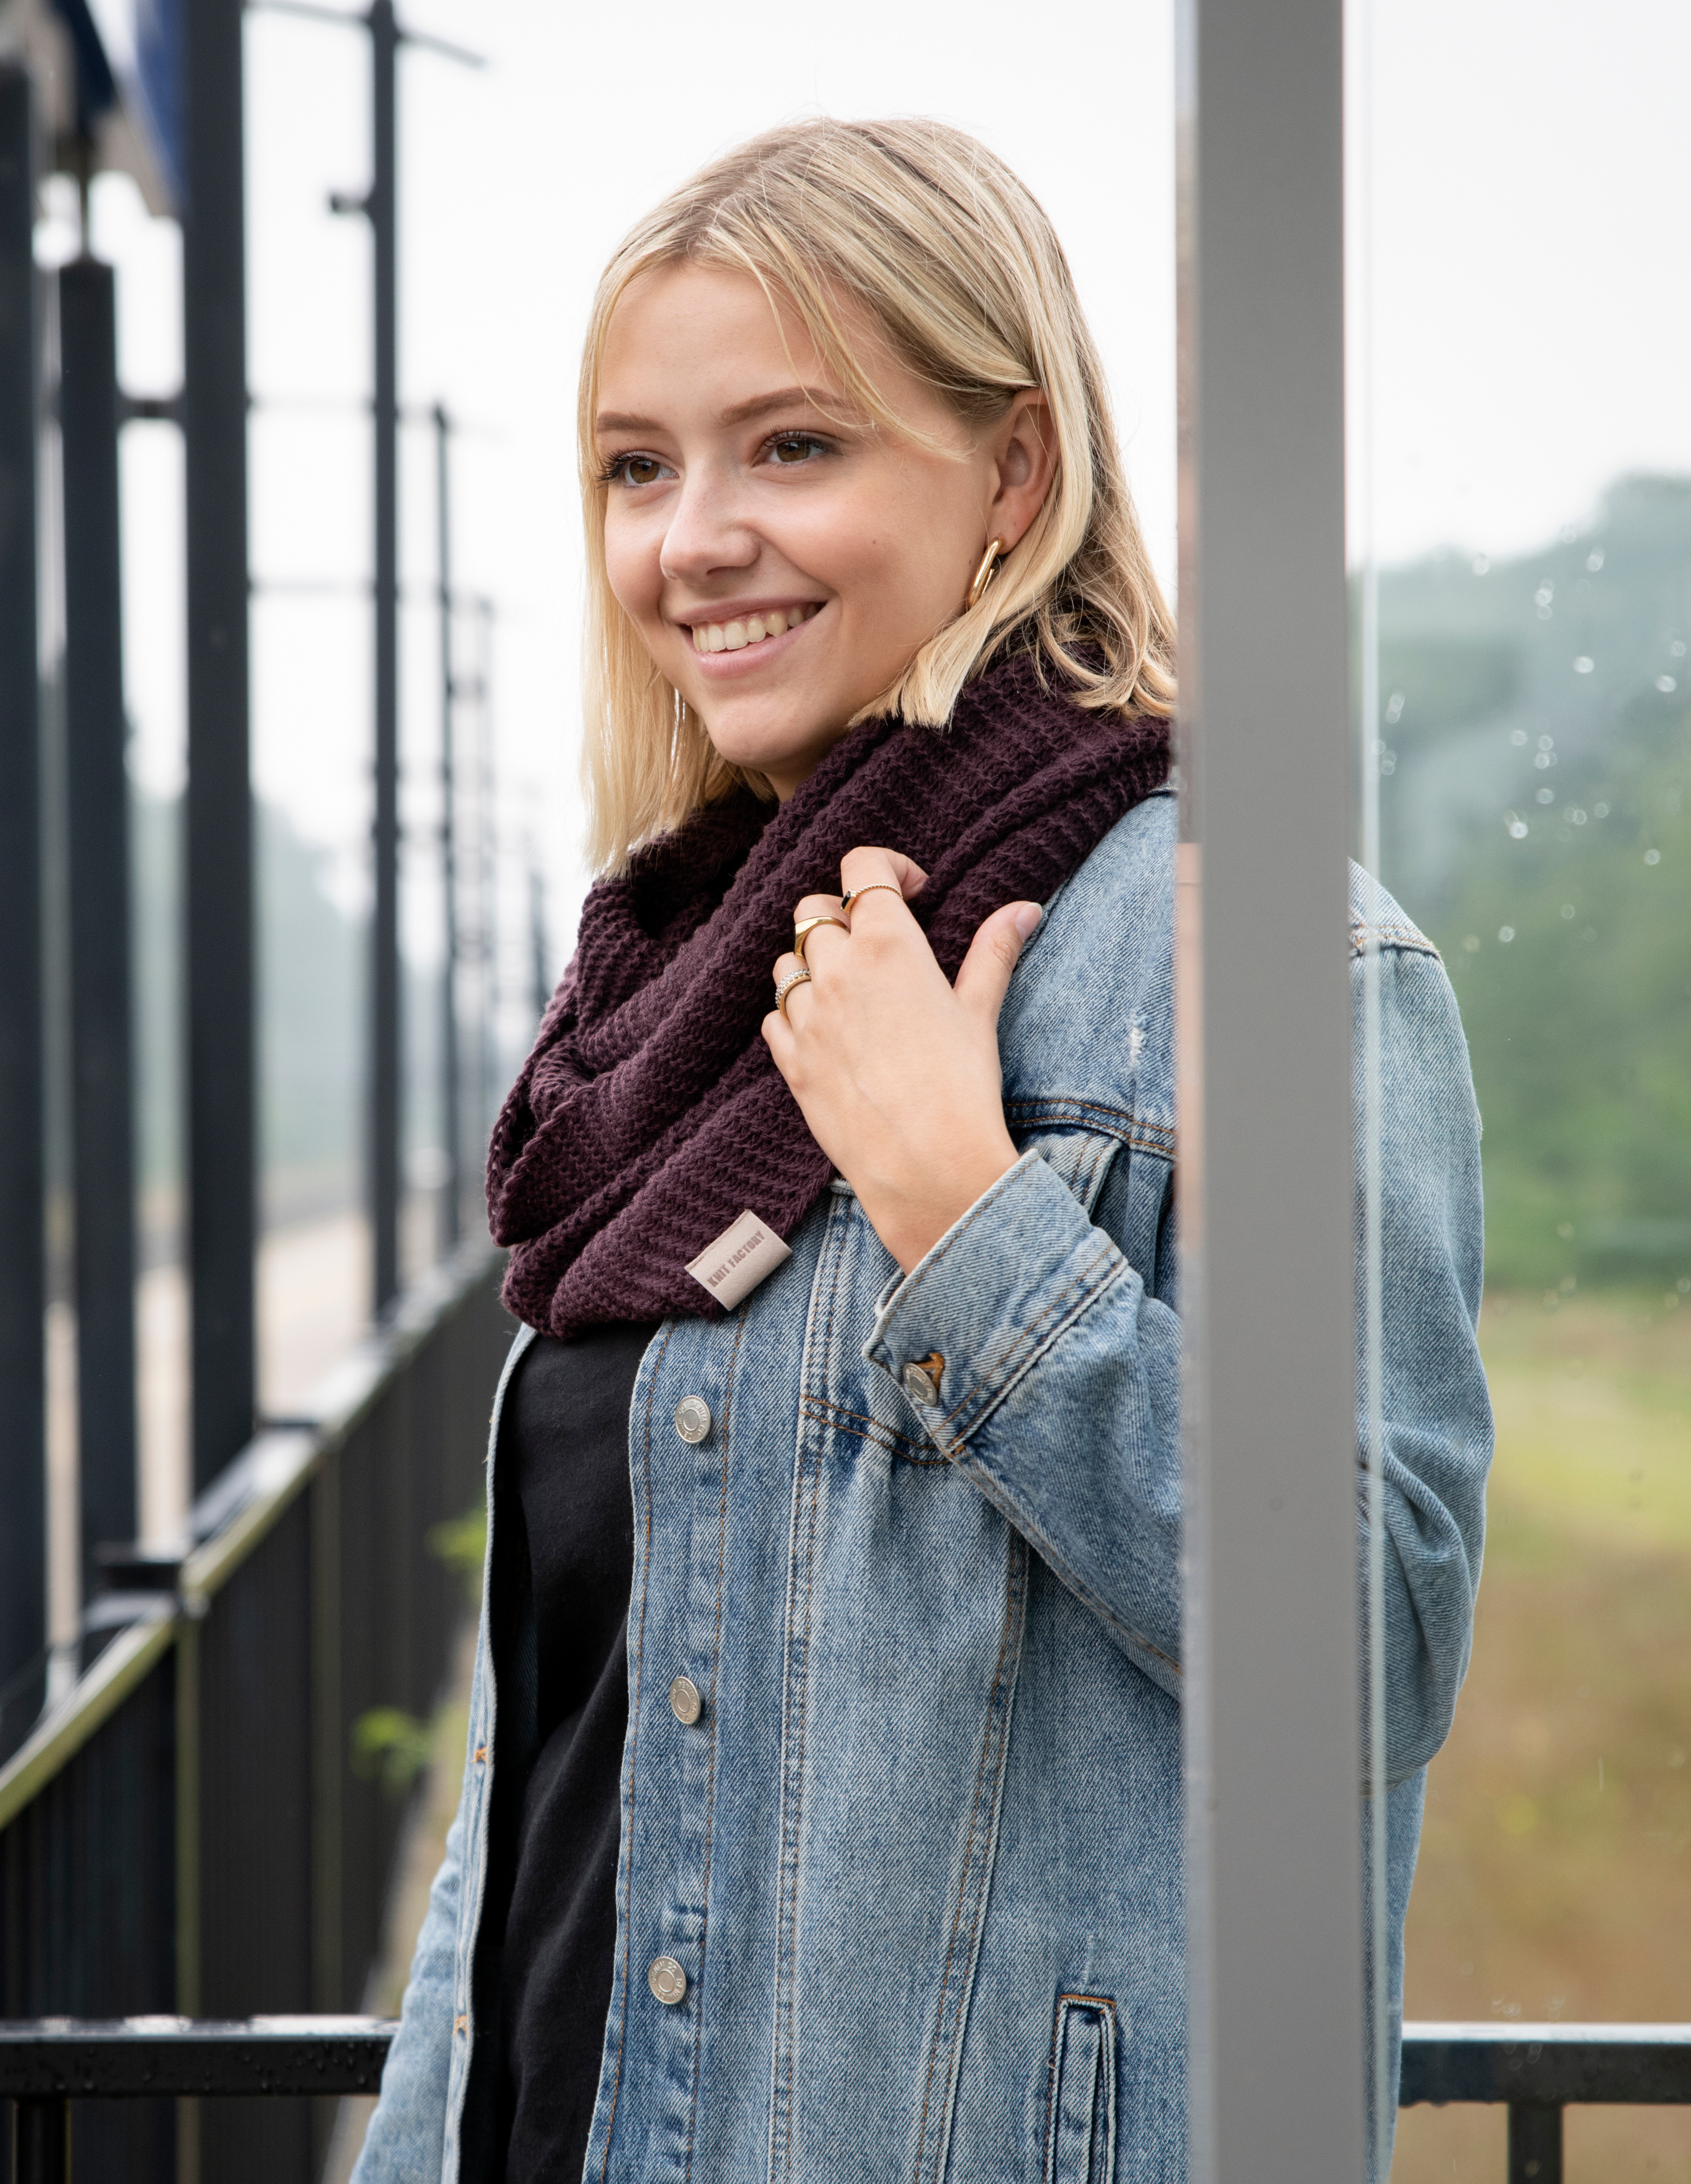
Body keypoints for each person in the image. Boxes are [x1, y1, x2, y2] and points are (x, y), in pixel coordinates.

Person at [354, 117, 1490, 2184]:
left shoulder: (1252, 963)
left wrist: (966, 1220)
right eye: (637, 464)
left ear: (1014, 479)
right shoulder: (677, 998)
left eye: (791, 448)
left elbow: (1374, 1652)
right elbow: (561, 1788)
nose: (693, 535)